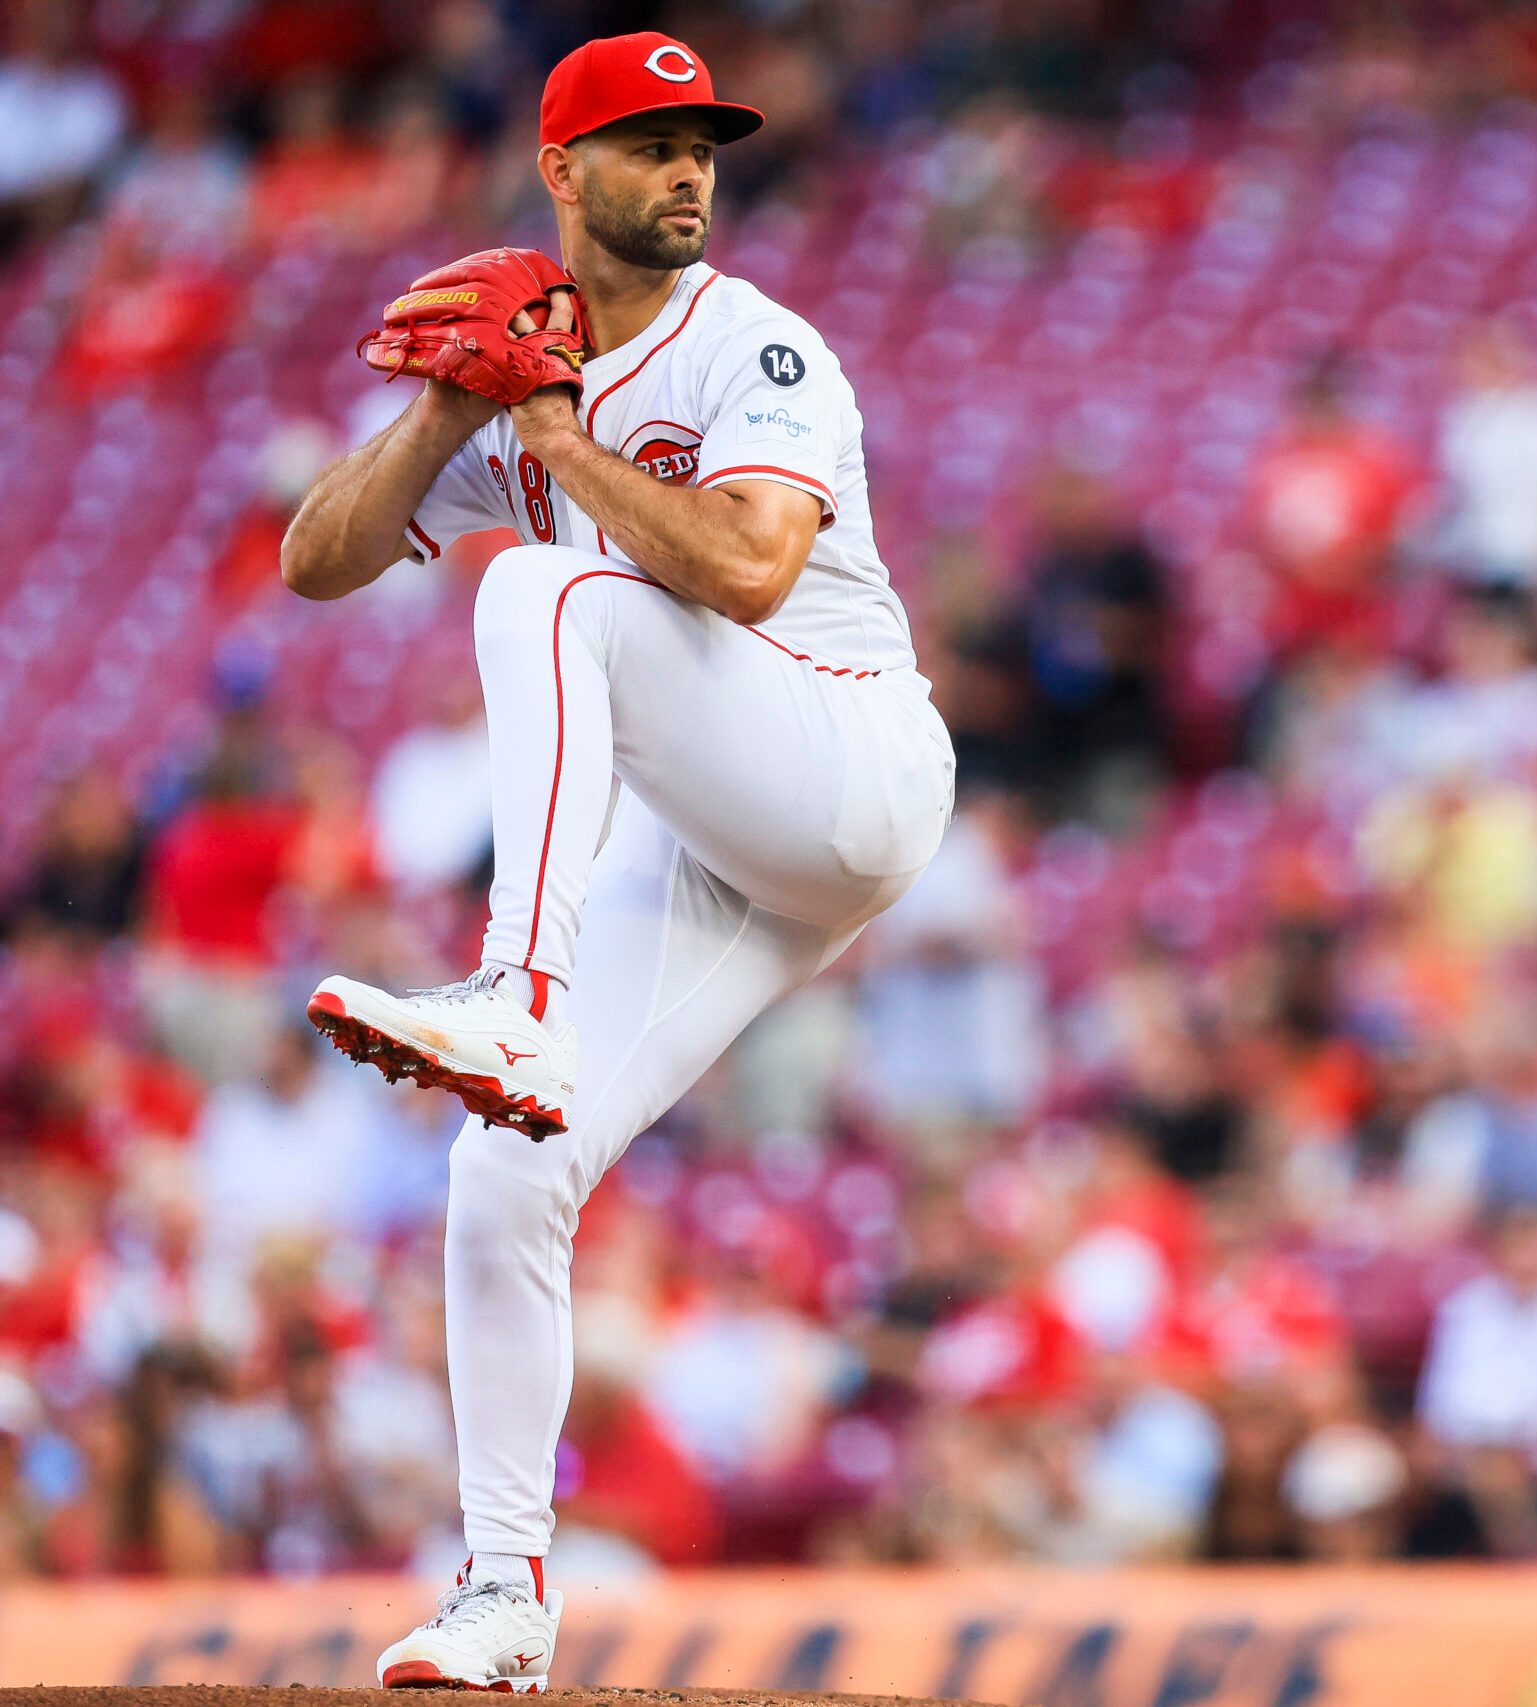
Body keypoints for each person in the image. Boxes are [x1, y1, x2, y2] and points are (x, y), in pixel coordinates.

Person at [276, 32, 954, 1690]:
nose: (689, 170)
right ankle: (503, 1594)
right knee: (507, 1164)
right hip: (720, 835)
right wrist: (453, 409)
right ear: (561, 170)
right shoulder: (519, 372)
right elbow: (317, 561)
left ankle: (519, 986)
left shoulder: (764, 350)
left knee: (539, 588)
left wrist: (555, 440)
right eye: (649, 144)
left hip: (851, 761)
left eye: (702, 143)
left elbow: (739, 568)